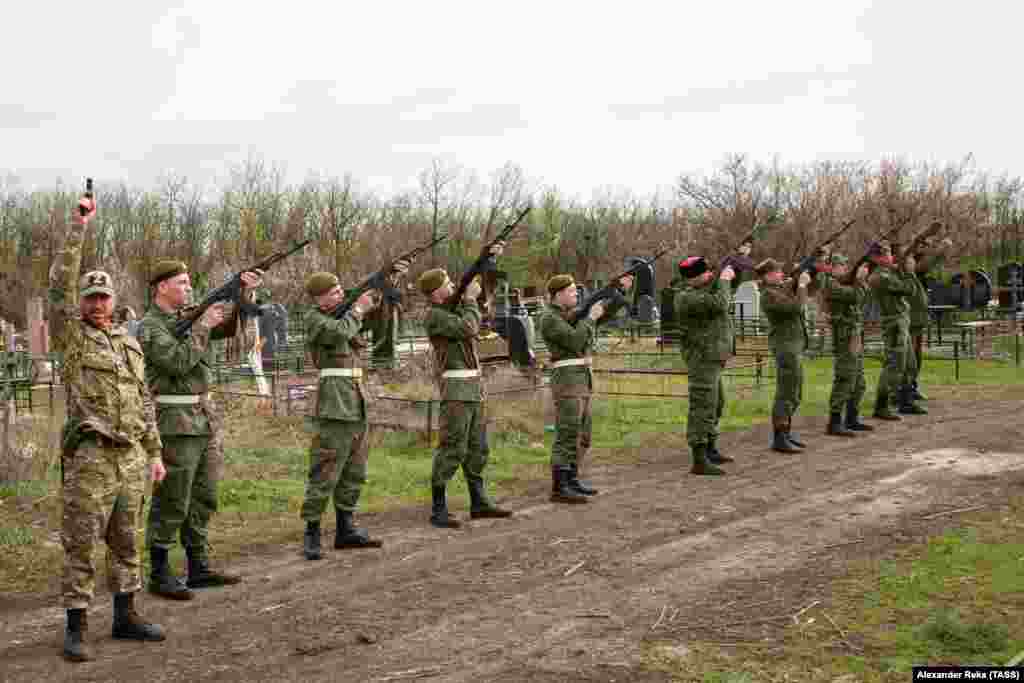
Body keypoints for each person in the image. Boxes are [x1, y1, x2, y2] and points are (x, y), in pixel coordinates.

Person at [49, 191, 166, 662]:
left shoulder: (127, 343)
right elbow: (57, 287)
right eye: (91, 296)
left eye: (104, 296)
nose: (98, 303)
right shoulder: (74, 339)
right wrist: (79, 226)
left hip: (132, 456)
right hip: (92, 457)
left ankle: (126, 615)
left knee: (127, 538)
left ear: (114, 300)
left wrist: (155, 453)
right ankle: (76, 626)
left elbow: (143, 399)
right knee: (81, 542)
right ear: (81, 302)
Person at [139, 261, 262, 599]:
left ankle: (198, 565)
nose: (188, 288)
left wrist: (243, 293)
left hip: (204, 416)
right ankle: (160, 571)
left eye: (189, 282)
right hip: (175, 419)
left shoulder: (190, 318)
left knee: (204, 495)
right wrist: (202, 326)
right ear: (161, 287)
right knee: (173, 497)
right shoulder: (151, 327)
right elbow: (176, 362)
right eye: (181, 282)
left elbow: (230, 328)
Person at [299, 266, 404, 559]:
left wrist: (384, 289)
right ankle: (312, 532)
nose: (340, 294)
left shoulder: (347, 315)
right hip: (334, 401)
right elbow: (338, 333)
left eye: (340, 290)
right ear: (320, 299)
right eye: (333, 292)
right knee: (326, 468)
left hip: (357, 398)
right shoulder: (316, 319)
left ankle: (346, 528)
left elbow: (375, 326)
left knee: (354, 469)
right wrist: (357, 309)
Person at [419, 256, 514, 528]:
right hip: (457, 389)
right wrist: (471, 300)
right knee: (452, 447)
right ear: (437, 292)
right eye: (448, 284)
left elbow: (478, 322)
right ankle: (438, 507)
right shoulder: (435, 316)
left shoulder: (456, 309)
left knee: (477, 447)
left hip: (474, 387)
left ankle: (478, 501)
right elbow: (467, 328)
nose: (453, 287)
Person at [538, 273, 632, 502]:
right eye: (571, 291)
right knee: (568, 433)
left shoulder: (571, 314)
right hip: (568, 379)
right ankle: (560, 487)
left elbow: (603, 316)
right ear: (558, 295)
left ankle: (571, 478)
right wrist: (590, 318)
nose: (576, 294)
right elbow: (574, 340)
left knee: (583, 435)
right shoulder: (549, 318)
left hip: (582, 379)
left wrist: (619, 293)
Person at [673, 257, 736, 475]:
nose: (711, 276)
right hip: (701, 357)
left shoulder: (703, 290)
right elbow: (720, 304)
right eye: (706, 274)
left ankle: (710, 448)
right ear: (693, 278)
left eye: (711, 272)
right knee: (702, 405)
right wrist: (725, 280)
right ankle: (699, 458)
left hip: (714, 355)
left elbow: (719, 296)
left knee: (716, 404)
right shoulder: (685, 297)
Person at [756, 259, 812, 453]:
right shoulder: (768, 295)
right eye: (777, 271)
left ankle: (786, 432)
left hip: (793, 345)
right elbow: (796, 307)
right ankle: (780, 437)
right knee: (786, 392)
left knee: (796, 393)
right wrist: (802, 285)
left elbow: (792, 290)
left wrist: (801, 275)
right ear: (767, 275)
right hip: (785, 346)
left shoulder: (779, 289)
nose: (781, 274)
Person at [867, 241, 922, 420]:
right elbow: (909, 289)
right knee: (894, 365)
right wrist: (909, 271)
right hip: (894, 323)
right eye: (884, 254)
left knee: (910, 364)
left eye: (889, 252)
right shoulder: (880, 276)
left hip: (901, 320)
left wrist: (901, 270)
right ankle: (881, 406)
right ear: (875, 258)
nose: (889, 256)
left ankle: (906, 401)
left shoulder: (888, 272)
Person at [822, 254, 872, 436]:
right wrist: (858, 280)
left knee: (858, 380)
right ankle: (834, 422)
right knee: (845, 378)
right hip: (843, 337)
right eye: (839, 265)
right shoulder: (830, 284)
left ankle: (852, 417)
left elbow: (863, 296)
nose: (843, 268)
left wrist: (859, 281)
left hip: (854, 335)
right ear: (831, 267)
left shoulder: (845, 283)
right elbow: (855, 296)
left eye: (845, 265)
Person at [904, 236, 954, 402]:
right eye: (922, 244)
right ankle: (903, 389)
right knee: (909, 355)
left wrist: (941, 254)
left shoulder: (921, 261)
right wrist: (939, 251)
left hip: (918, 315)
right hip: (908, 316)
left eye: (926, 245)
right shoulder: (908, 261)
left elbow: (930, 266)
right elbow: (922, 267)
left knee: (917, 353)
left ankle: (912, 385)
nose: (925, 247)